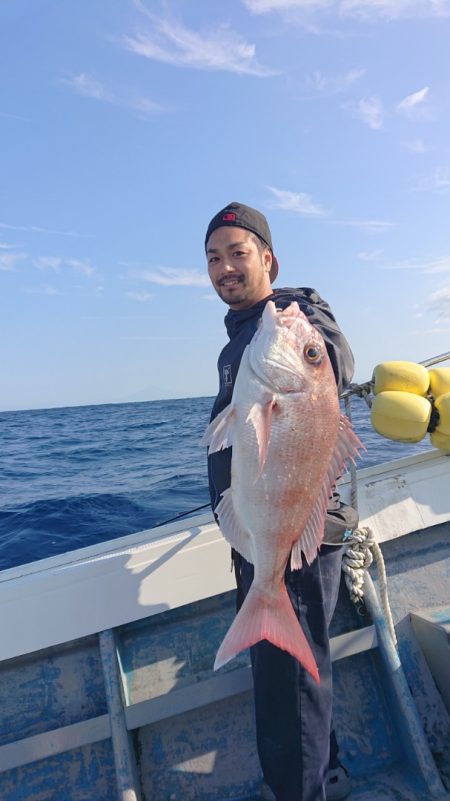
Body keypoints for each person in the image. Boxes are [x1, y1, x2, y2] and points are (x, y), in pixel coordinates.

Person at [205, 201, 358, 801]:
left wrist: (309, 344)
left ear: (267, 259)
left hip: (293, 537)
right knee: (295, 680)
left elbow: (333, 360)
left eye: (237, 254)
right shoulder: (245, 335)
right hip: (268, 528)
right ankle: (326, 776)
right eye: (214, 259)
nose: (224, 269)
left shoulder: (295, 315)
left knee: (287, 690)